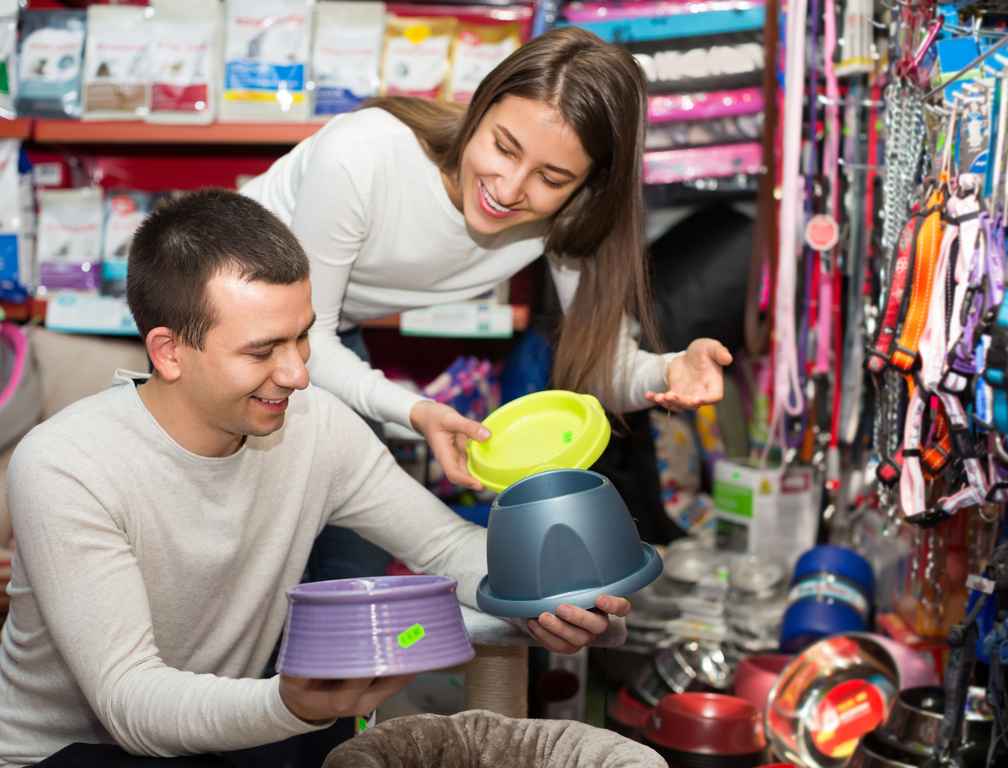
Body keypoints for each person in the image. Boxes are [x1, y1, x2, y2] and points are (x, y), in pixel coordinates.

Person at [0, 189, 629, 768]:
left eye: (302, 338)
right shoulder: (66, 465)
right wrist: (292, 705)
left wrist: (543, 595)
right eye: (262, 350)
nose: (299, 373)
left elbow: (443, 546)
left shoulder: (315, 425)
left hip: (214, 732)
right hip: (66, 753)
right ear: (168, 352)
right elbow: (129, 701)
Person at [241, 25, 733, 577]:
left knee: (354, 563)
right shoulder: (363, 154)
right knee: (253, 554)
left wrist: (673, 369)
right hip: (225, 327)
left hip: (323, 338)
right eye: (503, 146)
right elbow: (309, 340)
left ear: (586, 187)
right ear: (480, 108)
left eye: (551, 177)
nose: (509, 188)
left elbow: (605, 372)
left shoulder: (564, 221)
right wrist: (414, 411)